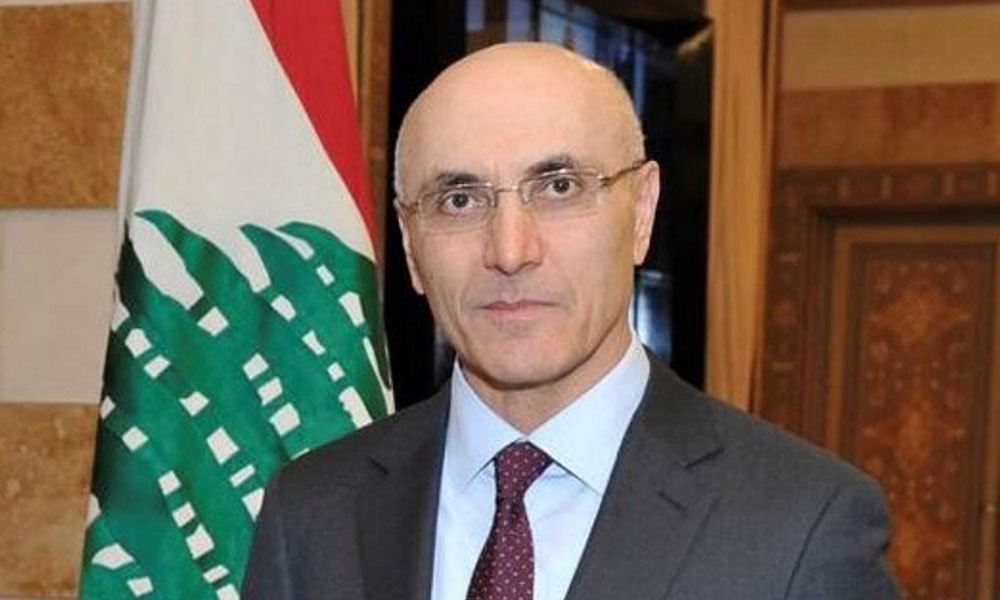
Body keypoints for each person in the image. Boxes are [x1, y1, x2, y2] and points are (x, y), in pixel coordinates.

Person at [243, 42, 899, 600]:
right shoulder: (311, 513)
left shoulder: (803, 526)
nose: (509, 251)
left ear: (641, 212)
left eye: (558, 187)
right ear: (411, 245)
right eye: (460, 199)